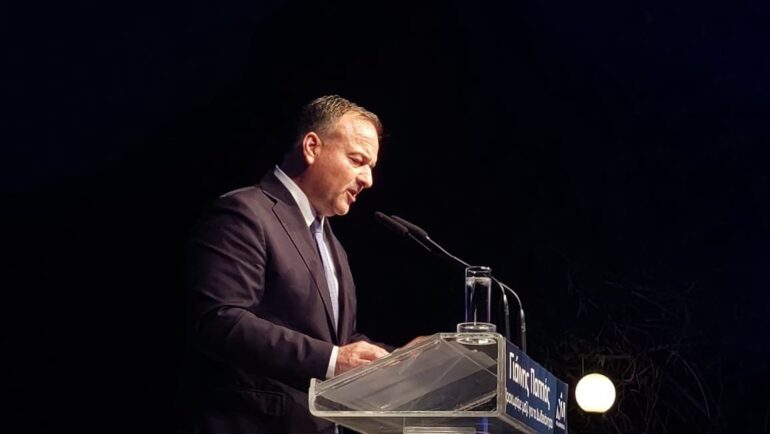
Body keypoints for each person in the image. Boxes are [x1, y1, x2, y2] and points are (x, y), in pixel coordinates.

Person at [185, 95, 394, 434]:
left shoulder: (332, 243)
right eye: (357, 160)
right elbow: (220, 320)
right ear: (312, 147)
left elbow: (338, 340)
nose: (367, 179)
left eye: (370, 166)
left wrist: (404, 360)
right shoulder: (245, 213)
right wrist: (331, 361)